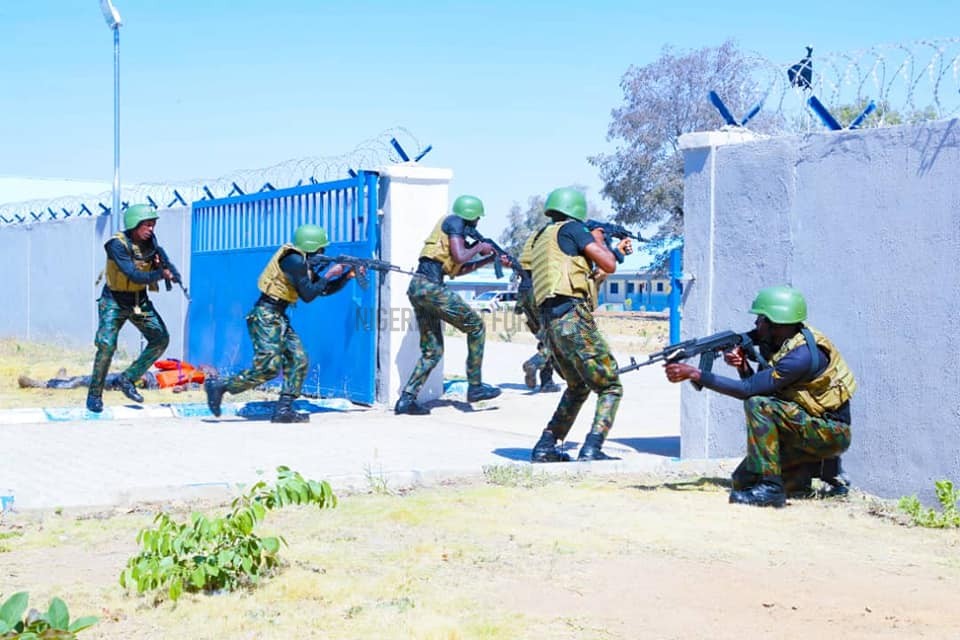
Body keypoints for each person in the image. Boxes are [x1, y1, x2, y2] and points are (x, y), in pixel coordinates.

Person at [663, 285, 857, 508]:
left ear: (778, 323)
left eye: (762, 319)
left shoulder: (800, 356)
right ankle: (803, 474)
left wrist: (696, 374)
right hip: (805, 426)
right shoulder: (782, 342)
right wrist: (743, 364)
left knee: (759, 405)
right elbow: (762, 386)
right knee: (742, 482)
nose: (756, 324)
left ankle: (772, 490)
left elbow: (750, 392)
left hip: (831, 434)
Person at [204, 224, 357, 423]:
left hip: (279, 316)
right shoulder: (293, 260)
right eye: (321, 249)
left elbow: (322, 289)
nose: (324, 252)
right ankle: (220, 386)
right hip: (266, 316)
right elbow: (308, 295)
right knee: (268, 368)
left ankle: (283, 409)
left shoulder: (303, 263)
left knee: (299, 359)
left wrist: (346, 276)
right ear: (312, 247)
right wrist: (330, 274)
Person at [528, 188, 633, 462]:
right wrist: (602, 243)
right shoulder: (574, 229)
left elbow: (588, 274)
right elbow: (608, 264)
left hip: (551, 325)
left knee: (578, 387)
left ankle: (545, 446)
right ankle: (592, 448)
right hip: (573, 319)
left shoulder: (544, 236)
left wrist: (607, 247)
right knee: (610, 386)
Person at [394, 195, 511, 415]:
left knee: (433, 350)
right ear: (472, 216)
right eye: (477, 219)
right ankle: (475, 387)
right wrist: (480, 247)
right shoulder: (453, 221)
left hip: (420, 288)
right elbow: (460, 256)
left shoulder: (451, 235)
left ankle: (406, 399)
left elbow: (459, 267)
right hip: (429, 288)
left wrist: (489, 258)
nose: (477, 224)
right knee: (476, 326)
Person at [86, 204, 180, 413]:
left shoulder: (151, 245)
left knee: (160, 338)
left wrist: (166, 269)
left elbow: (156, 264)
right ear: (134, 224)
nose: (151, 229)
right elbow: (133, 275)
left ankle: (127, 379)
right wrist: (161, 274)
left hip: (139, 300)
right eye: (146, 225)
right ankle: (94, 394)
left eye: (153, 225)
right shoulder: (116, 245)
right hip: (114, 301)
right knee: (107, 345)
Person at [516, 231, 561, 393]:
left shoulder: (537, 234)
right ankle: (534, 363)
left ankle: (547, 381)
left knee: (545, 337)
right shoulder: (560, 233)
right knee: (556, 339)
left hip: (524, 291)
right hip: (540, 289)